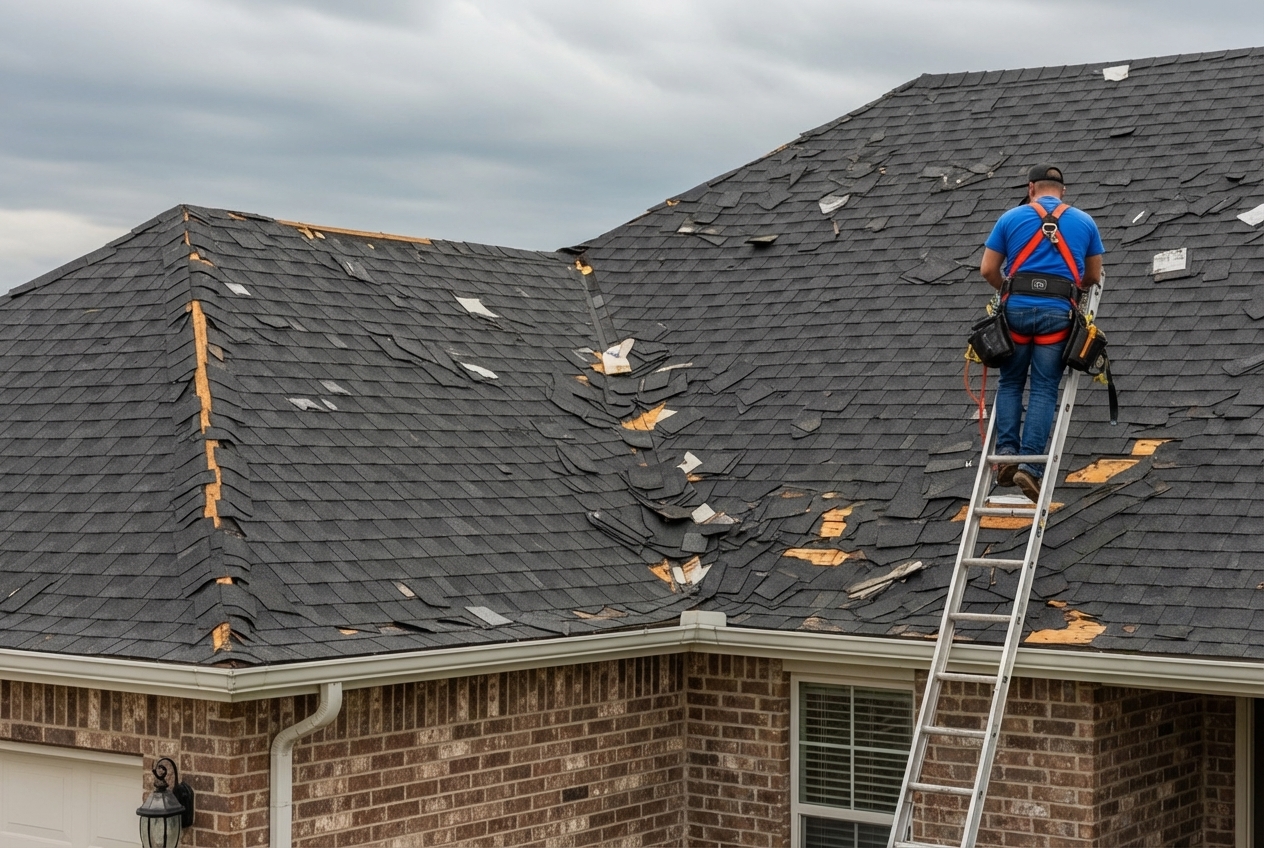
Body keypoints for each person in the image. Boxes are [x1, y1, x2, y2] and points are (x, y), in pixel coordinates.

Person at [980, 164, 1105, 502]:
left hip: (1017, 311)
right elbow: (1092, 276)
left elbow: (988, 269)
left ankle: (1006, 455)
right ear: (1062, 191)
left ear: (1031, 187)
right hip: (1057, 313)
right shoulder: (1084, 222)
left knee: (1010, 381)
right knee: (1045, 387)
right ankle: (1030, 468)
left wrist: (1006, 289)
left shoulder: (1010, 218)